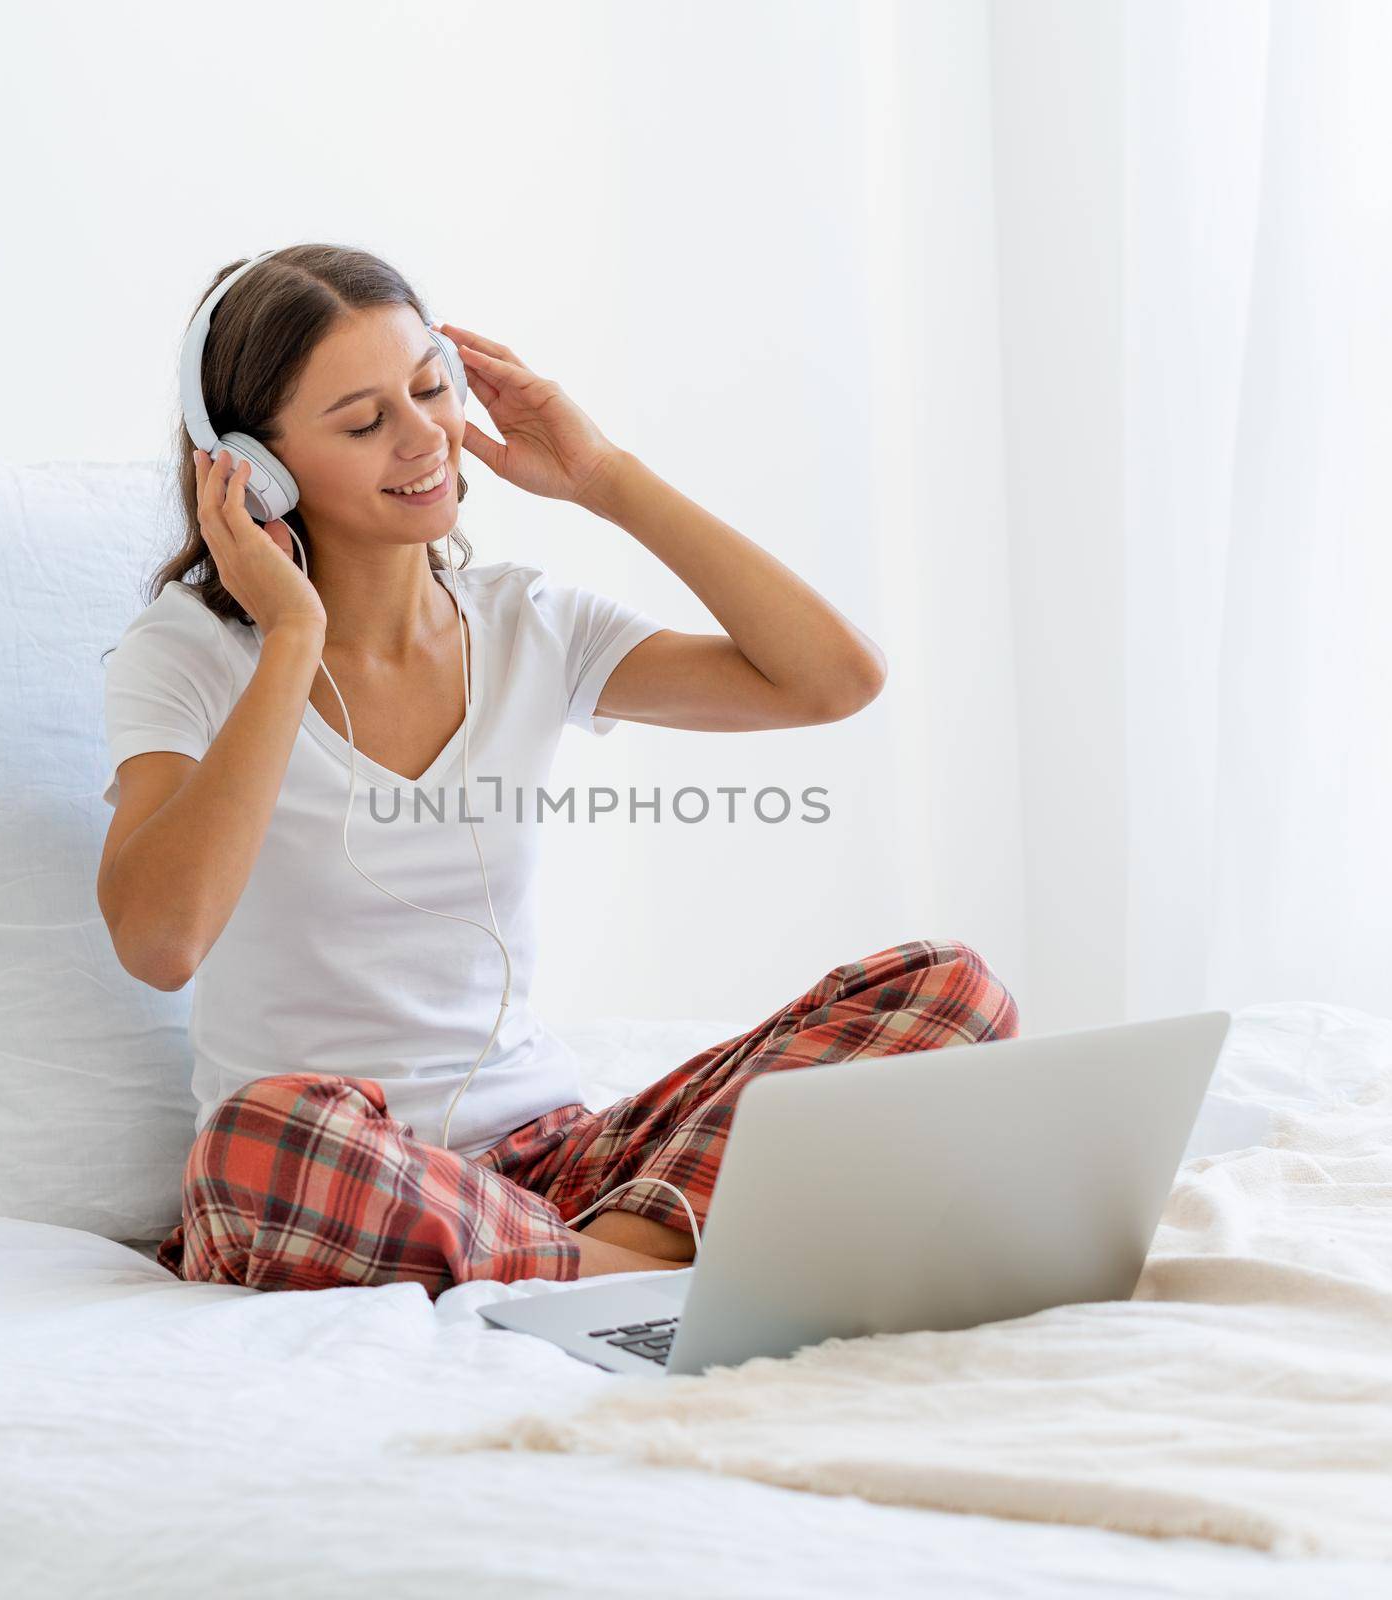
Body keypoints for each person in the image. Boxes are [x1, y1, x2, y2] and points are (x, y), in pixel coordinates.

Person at [97, 244, 1019, 1297]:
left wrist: (603, 479)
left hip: (555, 1165)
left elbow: (831, 679)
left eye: (430, 386)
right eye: (363, 421)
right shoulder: (188, 654)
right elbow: (161, 942)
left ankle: (597, 1260)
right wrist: (293, 637)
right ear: (251, 468)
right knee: (253, 1141)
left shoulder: (528, 624)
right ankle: (641, 1269)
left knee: (951, 990)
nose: (423, 436)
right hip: (341, 1167)